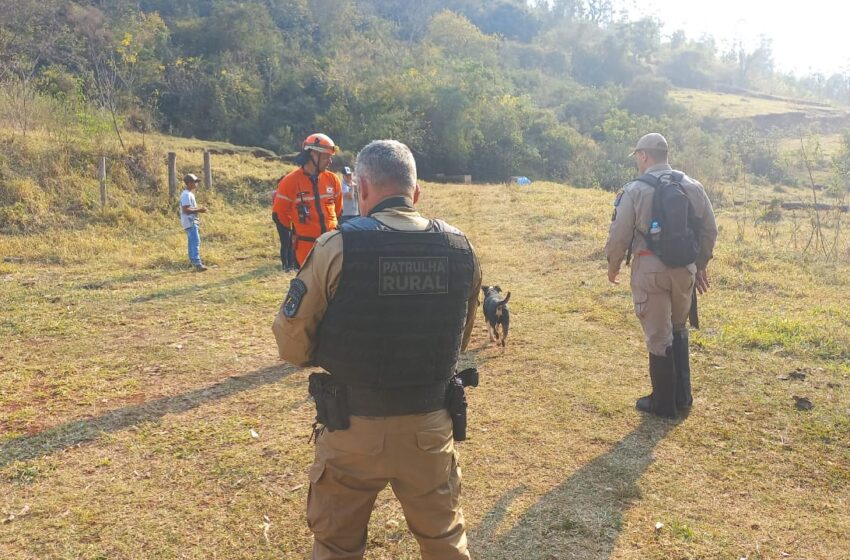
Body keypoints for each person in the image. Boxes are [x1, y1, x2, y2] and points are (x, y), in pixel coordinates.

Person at [272, 140, 481, 560]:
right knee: (444, 544)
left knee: (335, 545)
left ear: (361, 188)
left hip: (352, 430)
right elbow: (460, 340)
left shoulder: (336, 247)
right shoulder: (461, 249)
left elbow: (291, 342)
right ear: (415, 192)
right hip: (429, 428)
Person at [604, 133, 717, 418]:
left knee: (658, 336)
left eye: (637, 157)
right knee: (678, 328)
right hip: (685, 270)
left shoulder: (634, 190)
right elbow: (709, 229)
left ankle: (663, 403)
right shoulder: (692, 185)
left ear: (644, 156)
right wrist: (700, 263)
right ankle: (683, 397)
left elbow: (619, 234)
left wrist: (613, 264)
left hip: (649, 269)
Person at [272, 133, 343, 267]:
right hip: (305, 251)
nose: (330, 161)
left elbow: (338, 211)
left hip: (331, 249)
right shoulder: (290, 182)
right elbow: (279, 215)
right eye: (327, 157)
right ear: (313, 154)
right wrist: (289, 241)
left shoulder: (333, 180)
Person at [179, 173, 208, 272]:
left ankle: (193, 261)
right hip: (189, 221)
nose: (196, 184)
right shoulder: (186, 194)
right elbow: (186, 210)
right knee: (195, 241)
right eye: (195, 182)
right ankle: (197, 263)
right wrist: (199, 210)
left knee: (192, 242)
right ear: (189, 183)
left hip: (191, 221)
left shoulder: (189, 194)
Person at [271, 186, 298, 272]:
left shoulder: (291, 194)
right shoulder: (279, 195)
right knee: (286, 243)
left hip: (290, 220)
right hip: (282, 219)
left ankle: (291, 265)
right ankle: (285, 265)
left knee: (290, 243)